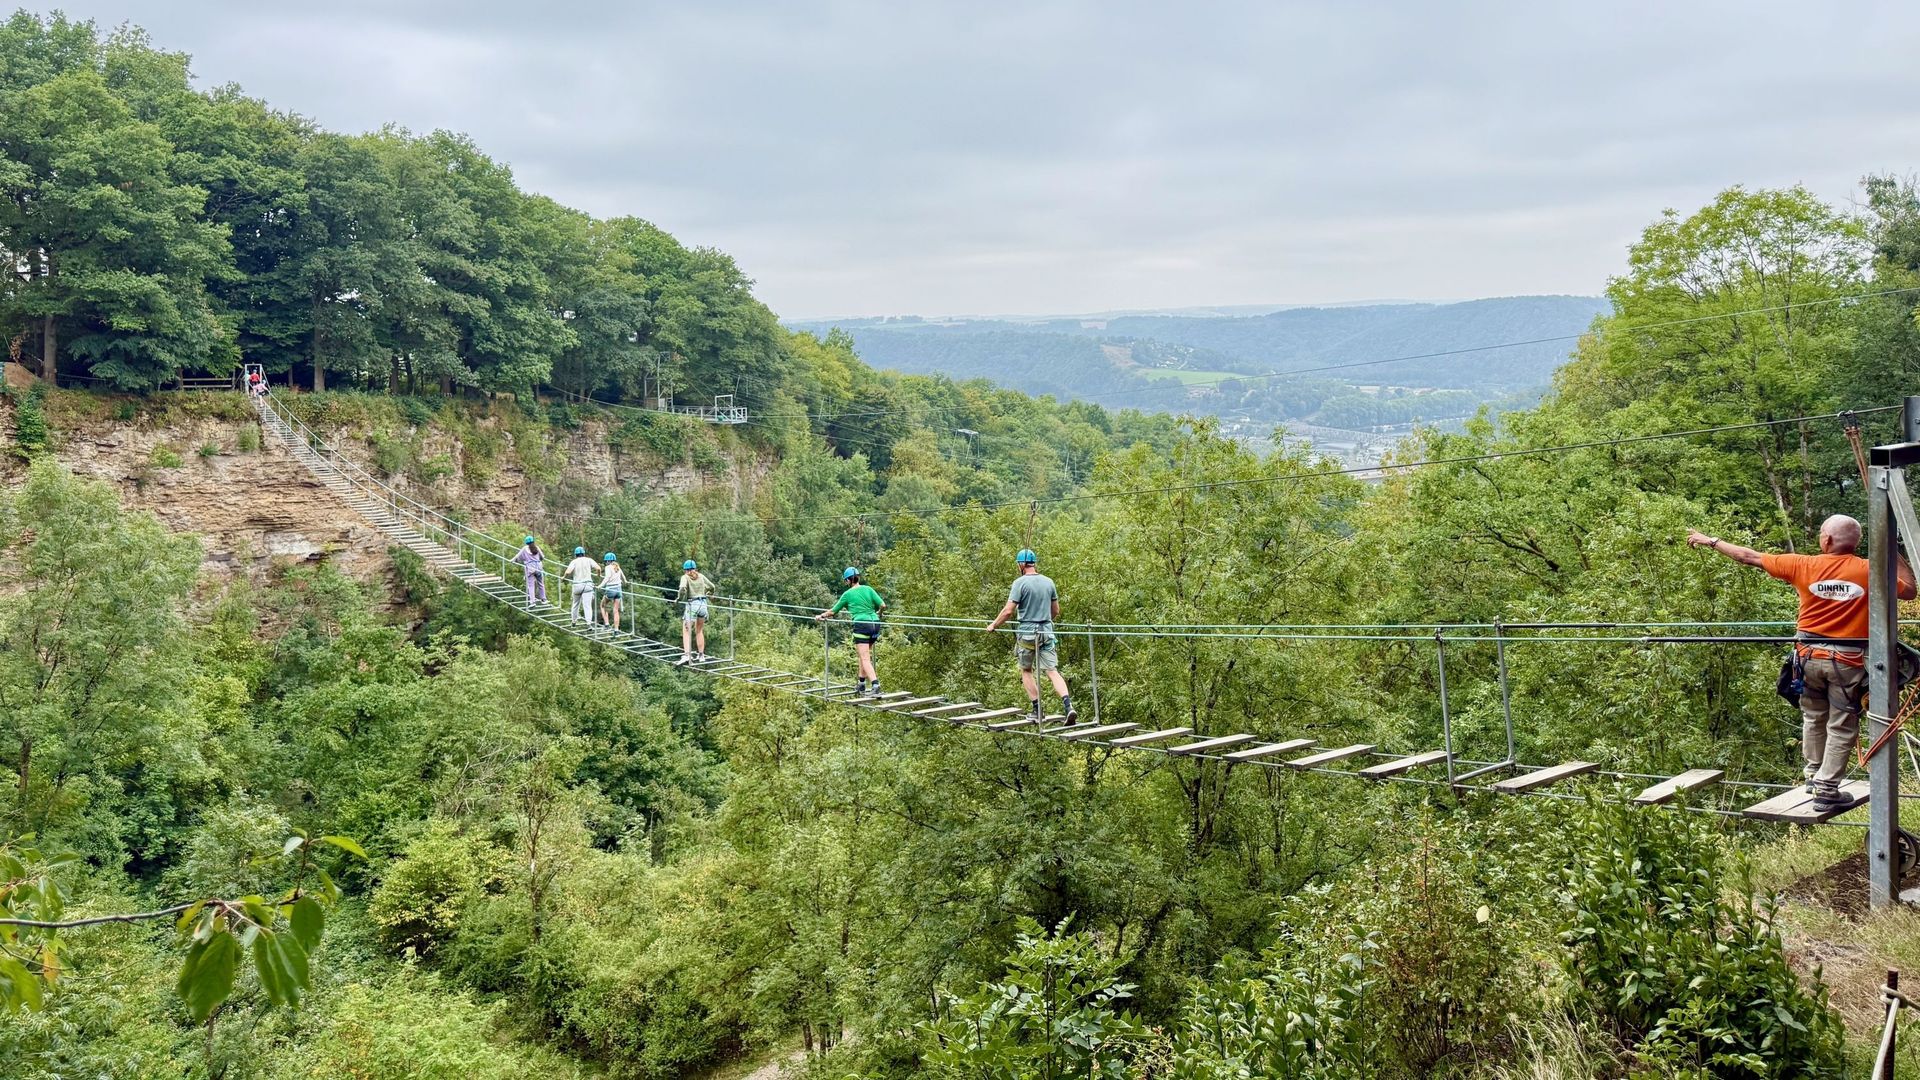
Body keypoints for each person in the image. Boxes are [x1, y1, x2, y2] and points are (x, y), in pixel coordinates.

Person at [1688, 516, 1916, 812]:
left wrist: (1711, 541)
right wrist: (1891, 551)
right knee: (1841, 724)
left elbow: (1747, 556)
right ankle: (1826, 787)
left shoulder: (1802, 565)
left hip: (1807, 659)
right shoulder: (1870, 570)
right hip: (1847, 663)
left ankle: (1813, 776)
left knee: (1814, 716)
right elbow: (1909, 591)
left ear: (1827, 540)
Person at [984, 549, 1076, 721]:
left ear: (1021, 564)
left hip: (1027, 634)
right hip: (1046, 632)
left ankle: (1037, 710)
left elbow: (1008, 611)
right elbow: (1055, 611)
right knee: (1052, 671)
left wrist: (993, 625)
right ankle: (1068, 706)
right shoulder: (1049, 582)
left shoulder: (1019, 583)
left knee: (1026, 670)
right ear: (1034, 563)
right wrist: (1043, 620)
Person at [816, 567, 886, 696]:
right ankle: (861, 684)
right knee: (863, 655)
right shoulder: (868, 589)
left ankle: (876, 685)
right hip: (875, 624)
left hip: (862, 626)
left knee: (865, 658)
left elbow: (832, 612)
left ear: (848, 580)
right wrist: (879, 613)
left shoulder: (847, 594)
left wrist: (821, 616)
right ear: (858, 578)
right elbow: (882, 605)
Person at [676, 559, 715, 664]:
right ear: (695, 568)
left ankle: (687, 655)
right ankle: (701, 655)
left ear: (685, 570)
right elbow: (712, 587)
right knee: (699, 630)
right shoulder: (701, 576)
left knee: (686, 630)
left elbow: (682, 589)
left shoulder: (685, 577)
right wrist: (709, 593)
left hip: (692, 605)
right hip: (703, 605)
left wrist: (678, 599)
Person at [565, 545, 599, 625]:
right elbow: (598, 568)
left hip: (577, 585)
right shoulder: (589, 560)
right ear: (583, 553)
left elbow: (568, 572)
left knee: (575, 604)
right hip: (588, 585)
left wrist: (563, 577)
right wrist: (598, 575)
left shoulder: (574, 562)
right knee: (587, 606)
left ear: (575, 554)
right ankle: (588, 623)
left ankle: (573, 621)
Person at [512, 536, 547, 605]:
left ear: (526, 542)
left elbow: (517, 556)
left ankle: (532, 602)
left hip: (530, 569)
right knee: (541, 584)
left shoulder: (525, 549)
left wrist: (512, 561)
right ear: (533, 541)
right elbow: (542, 557)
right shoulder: (536, 547)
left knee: (531, 586)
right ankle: (544, 599)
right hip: (539, 568)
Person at [600, 552, 625, 629]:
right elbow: (623, 577)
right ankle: (616, 629)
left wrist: (600, 586)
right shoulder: (617, 567)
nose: (606, 563)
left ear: (608, 561)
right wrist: (625, 582)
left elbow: (607, 578)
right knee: (615, 610)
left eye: (606, 561)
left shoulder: (608, 567)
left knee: (602, 605)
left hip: (611, 589)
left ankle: (607, 624)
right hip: (618, 590)